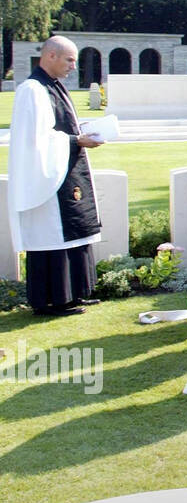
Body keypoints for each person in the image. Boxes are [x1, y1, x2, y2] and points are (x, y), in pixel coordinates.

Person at [7, 36, 105, 316]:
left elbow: (59, 127)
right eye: (69, 59)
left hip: (65, 171)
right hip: (46, 179)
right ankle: (53, 301)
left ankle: (74, 294)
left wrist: (81, 131)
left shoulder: (54, 86)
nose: (73, 66)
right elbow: (35, 140)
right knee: (52, 235)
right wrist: (76, 141)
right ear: (50, 56)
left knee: (73, 233)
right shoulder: (32, 90)